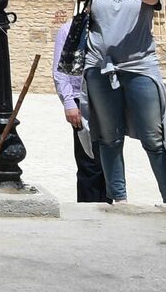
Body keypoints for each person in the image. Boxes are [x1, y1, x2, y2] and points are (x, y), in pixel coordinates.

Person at [67, 0, 166, 203]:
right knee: (109, 138)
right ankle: (118, 199)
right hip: (99, 68)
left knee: (153, 139)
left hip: (139, 68)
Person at [51, 18, 109, 203]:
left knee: (109, 157)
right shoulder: (69, 29)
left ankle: (109, 204)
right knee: (88, 160)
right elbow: (60, 70)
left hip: (108, 97)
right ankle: (90, 208)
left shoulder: (111, 27)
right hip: (80, 98)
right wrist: (68, 102)